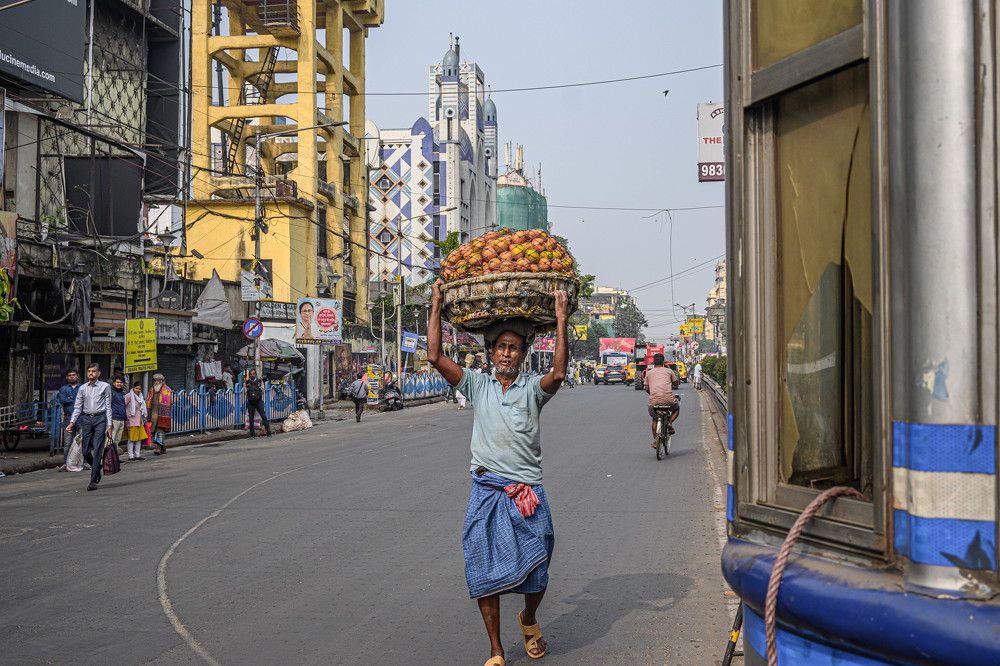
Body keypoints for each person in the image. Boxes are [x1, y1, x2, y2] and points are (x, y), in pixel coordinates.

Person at [427, 280, 569, 666]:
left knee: (538, 567)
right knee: (482, 566)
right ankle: (496, 649)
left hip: (526, 492)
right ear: (491, 351)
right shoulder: (477, 385)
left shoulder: (532, 390)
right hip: (487, 492)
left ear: (523, 354)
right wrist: (436, 304)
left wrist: (560, 319)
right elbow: (435, 356)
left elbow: (558, 373)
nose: (507, 353)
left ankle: (529, 618)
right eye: (502, 346)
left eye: (514, 347)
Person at [65, 363, 113, 491]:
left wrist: (109, 425)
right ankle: (97, 468)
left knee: (97, 449)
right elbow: (77, 407)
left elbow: (108, 407)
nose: (91, 373)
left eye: (93, 371)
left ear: (98, 373)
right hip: (86, 419)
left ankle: (93, 481)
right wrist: (71, 422)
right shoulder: (82, 388)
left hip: (100, 419)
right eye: (89, 371)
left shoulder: (105, 386)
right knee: (85, 451)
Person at [645, 353, 679, 446]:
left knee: (655, 419)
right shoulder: (669, 371)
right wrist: (669, 369)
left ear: (653, 362)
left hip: (654, 402)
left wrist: (653, 394)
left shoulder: (649, 373)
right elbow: (676, 383)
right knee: (676, 408)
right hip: (669, 400)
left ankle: (655, 441)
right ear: (663, 362)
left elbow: (646, 389)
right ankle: (669, 423)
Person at [57, 369, 80, 464]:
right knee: (67, 442)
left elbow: (85, 400)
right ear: (67, 377)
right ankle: (66, 463)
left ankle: (82, 462)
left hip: (81, 418)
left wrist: (70, 399)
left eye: (73, 375)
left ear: (77, 376)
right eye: (70, 375)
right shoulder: (63, 389)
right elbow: (62, 400)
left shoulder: (82, 388)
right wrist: (77, 401)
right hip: (68, 418)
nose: (72, 377)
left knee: (83, 441)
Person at [146, 373, 172, 455]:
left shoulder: (167, 390)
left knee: (160, 431)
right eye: (155, 380)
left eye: (158, 380)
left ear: (161, 381)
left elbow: (170, 402)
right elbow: (148, 400)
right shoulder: (152, 389)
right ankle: (163, 448)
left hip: (162, 414)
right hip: (153, 414)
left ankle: (158, 448)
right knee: (154, 431)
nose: (156, 382)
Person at [124, 380, 148, 461]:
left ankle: (137, 455)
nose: (138, 390)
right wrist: (126, 417)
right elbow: (123, 406)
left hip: (139, 420)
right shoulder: (128, 396)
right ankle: (131, 456)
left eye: (139, 389)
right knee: (131, 439)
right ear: (133, 388)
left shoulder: (141, 397)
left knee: (139, 438)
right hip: (131, 420)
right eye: (136, 388)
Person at [245, 368, 271, 436]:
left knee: (263, 416)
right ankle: (252, 433)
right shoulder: (247, 382)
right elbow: (245, 391)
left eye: (253, 374)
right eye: (251, 374)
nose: (252, 375)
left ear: (255, 374)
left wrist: (257, 396)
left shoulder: (260, 381)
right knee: (251, 418)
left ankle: (268, 432)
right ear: (249, 375)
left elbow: (262, 390)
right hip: (251, 402)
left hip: (259, 401)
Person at [110, 375, 127, 454]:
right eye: (117, 382)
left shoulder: (122, 393)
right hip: (114, 419)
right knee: (111, 440)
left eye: (121, 382)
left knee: (117, 440)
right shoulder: (111, 393)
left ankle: (114, 457)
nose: (119, 384)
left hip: (121, 419)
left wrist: (125, 418)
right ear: (114, 383)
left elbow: (123, 406)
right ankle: (108, 457)